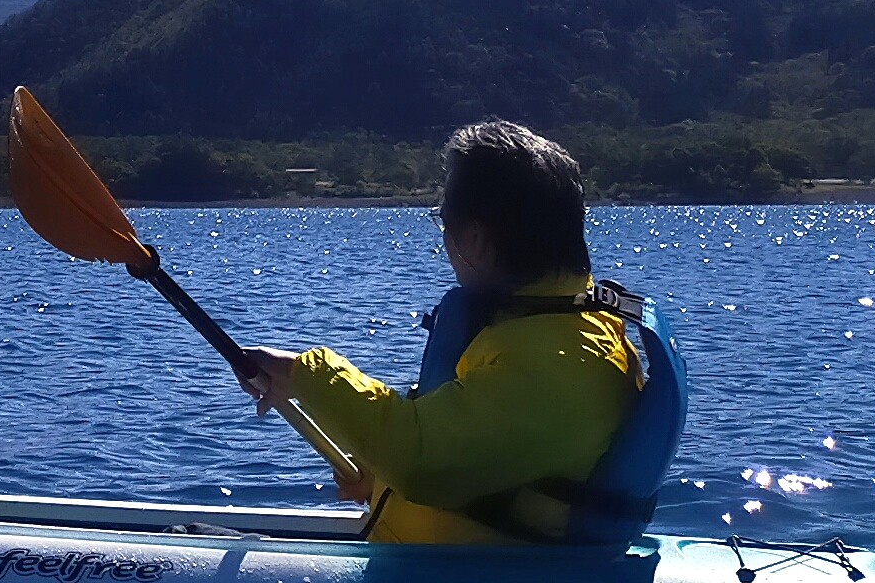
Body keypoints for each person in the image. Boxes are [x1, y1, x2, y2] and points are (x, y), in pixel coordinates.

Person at [227, 120, 686, 547]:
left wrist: (306, 374)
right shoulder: (570, 332)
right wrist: (379, 475)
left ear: (476, 242)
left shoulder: (554, 364)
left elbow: (423, 461)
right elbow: (495, 458)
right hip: (458, 580)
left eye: (443, 219)